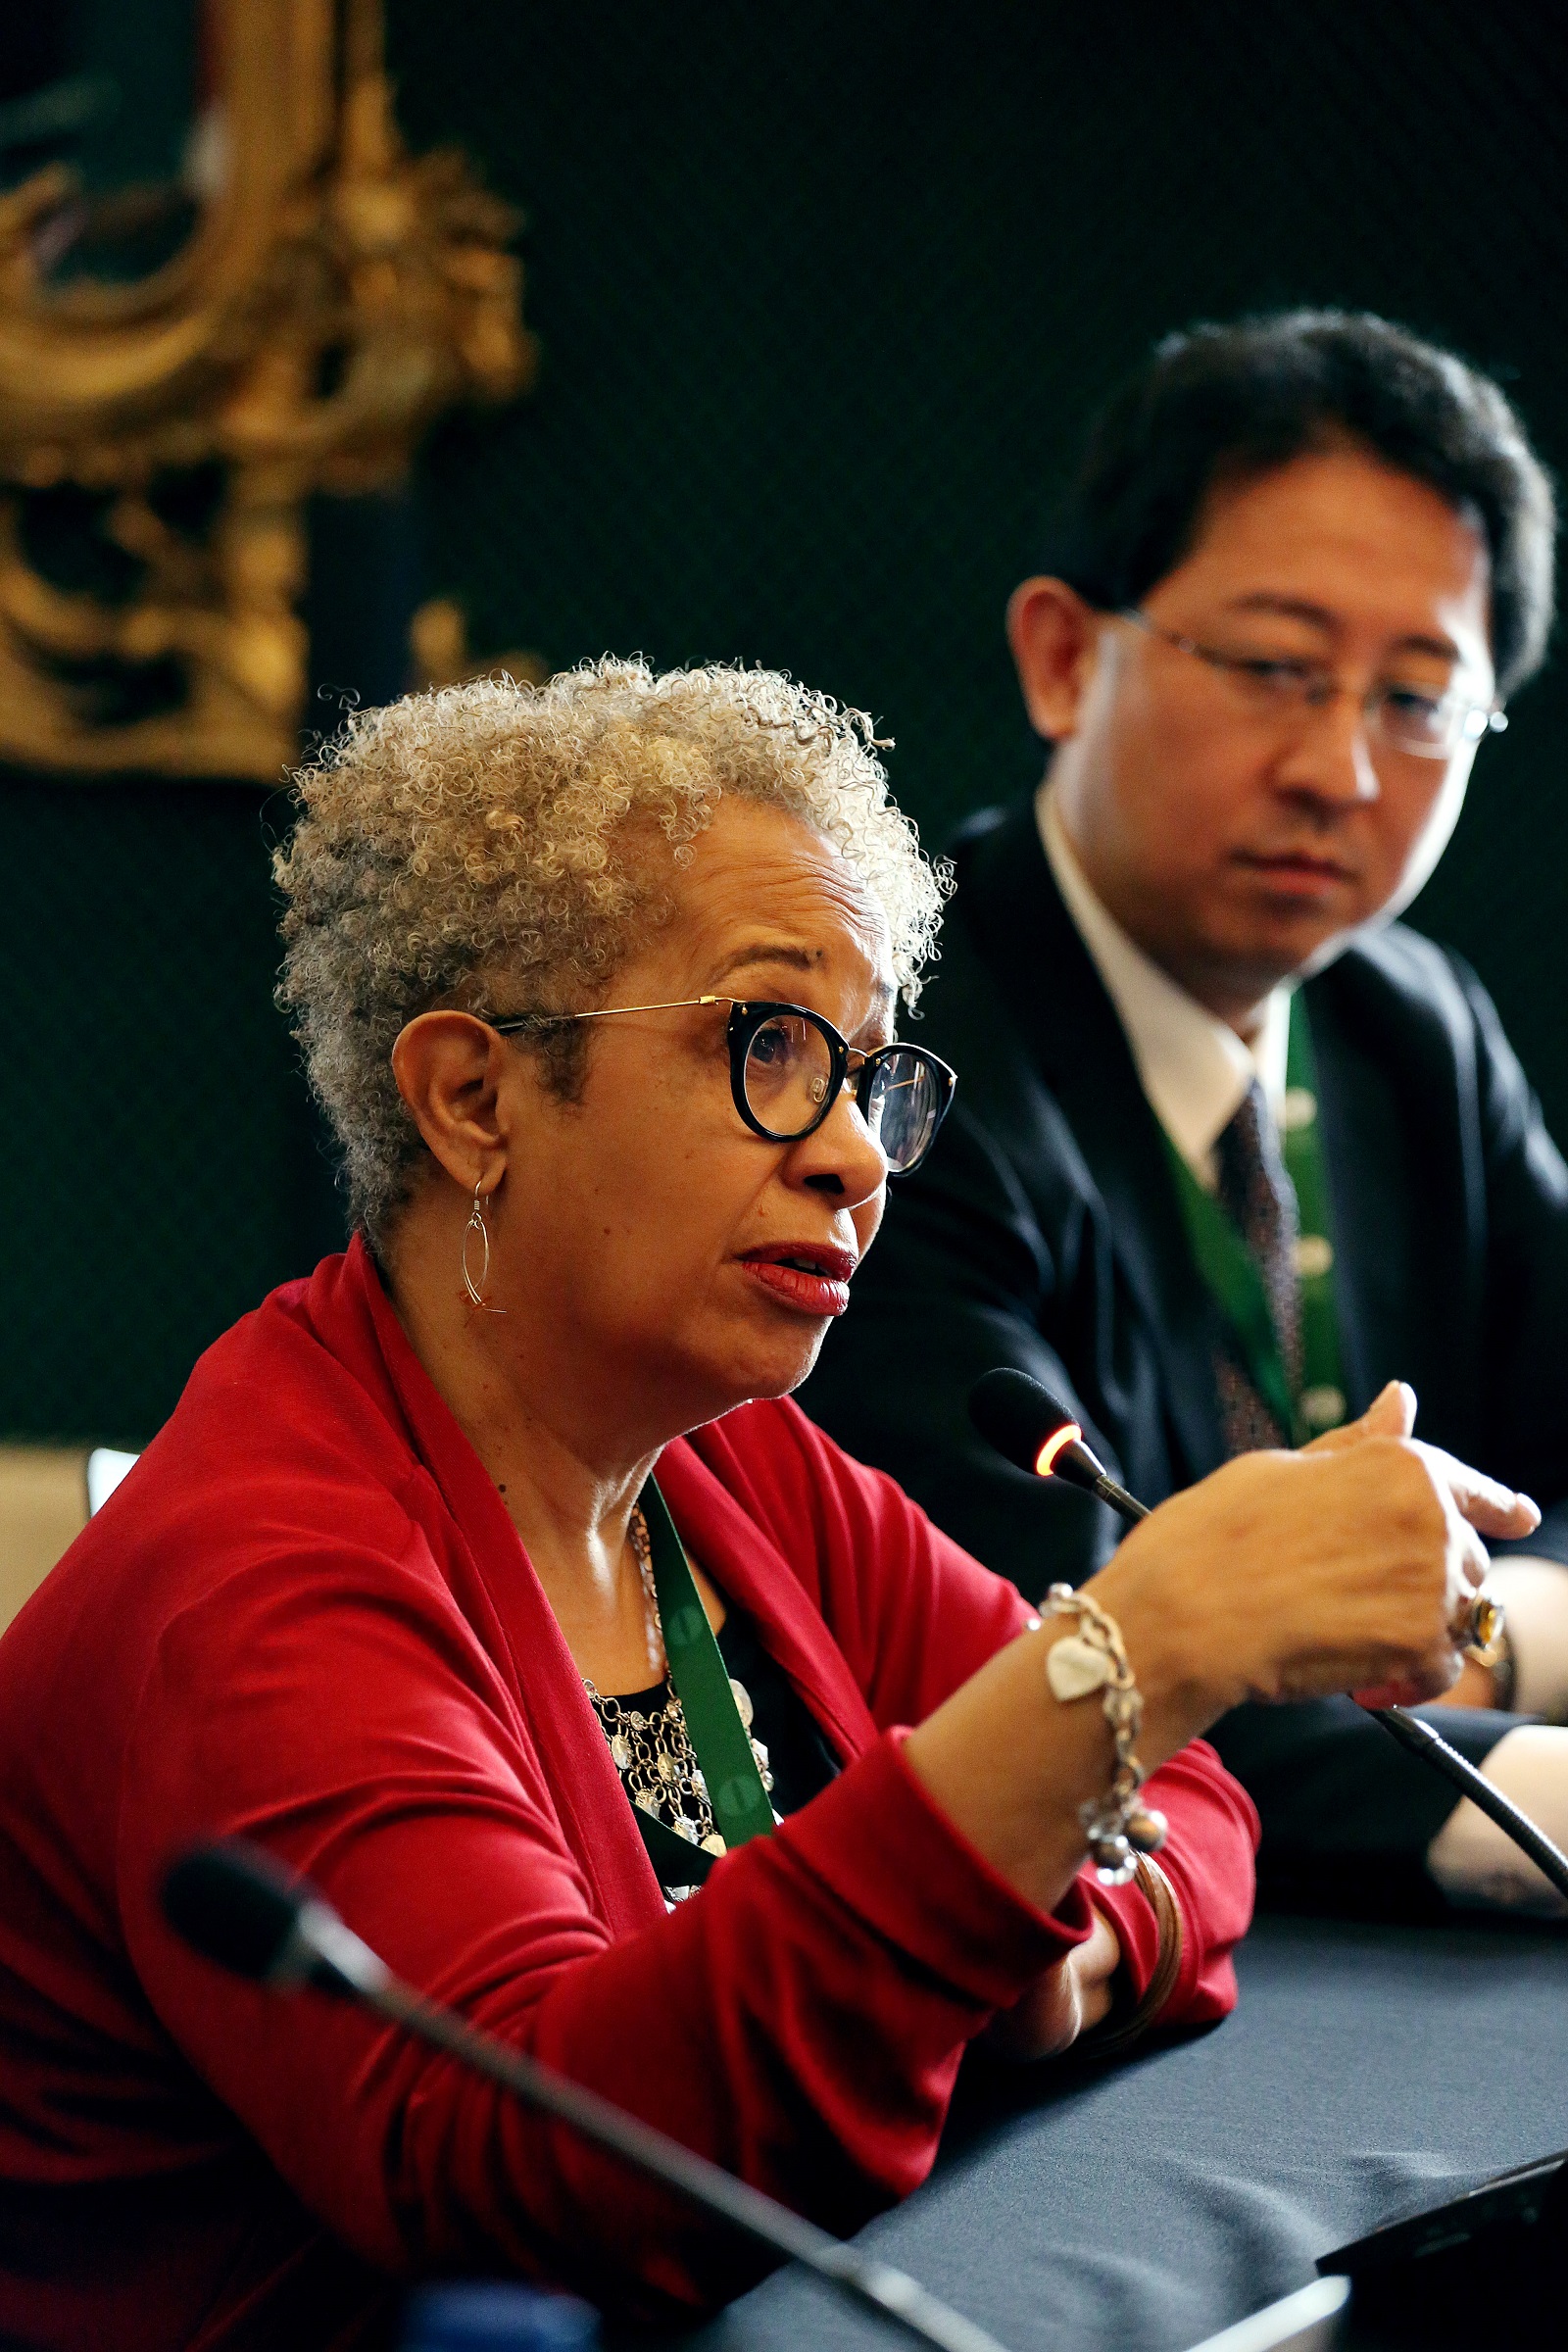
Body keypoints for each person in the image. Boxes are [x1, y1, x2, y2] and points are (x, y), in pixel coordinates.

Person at [0, 660, 1527, 2352]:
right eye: (770, 1045)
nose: (857, 1156)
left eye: (870, 1076)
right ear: (474, 1099)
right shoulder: (258, 1574)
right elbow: (544, 2174)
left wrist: (1062, 1949)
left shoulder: (730, 1462)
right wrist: (1135, 1649)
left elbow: (1194, 1807)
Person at [803, 310, 1568, 1918]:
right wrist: (1501, 1697)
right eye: (1279, 669)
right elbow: (1046, 1663)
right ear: (1063, 657)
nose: (1342, 771)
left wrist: (1456, 1622)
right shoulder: (899, 1059)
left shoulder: (1411, 1023)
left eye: (1419, 697)